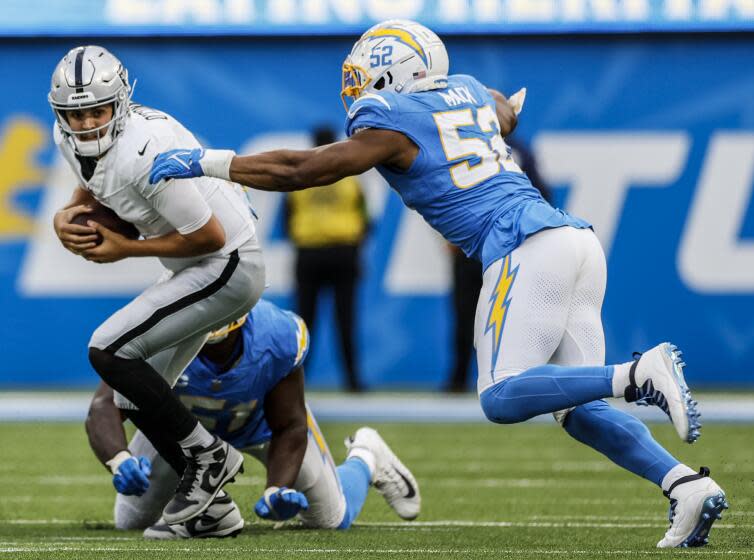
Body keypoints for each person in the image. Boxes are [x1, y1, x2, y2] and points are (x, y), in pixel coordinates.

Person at [148, 20, 728, 547]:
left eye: (365, 77)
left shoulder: (394, 123)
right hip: (573, 239)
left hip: (522, 247)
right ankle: (685, 486)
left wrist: (207, 161)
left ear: (394, 74)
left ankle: (638, 373)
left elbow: (306, 169)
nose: (357, 91)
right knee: (578, 408)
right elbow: (503, 110)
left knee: (502, 396)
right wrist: (504, 113)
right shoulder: (471, 90)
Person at [49, 45, 265, 527]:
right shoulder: (71, 138)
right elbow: (95, 182)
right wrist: (65, 216)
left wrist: (126, 250)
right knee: (129, 395)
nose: (85, 125)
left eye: (97, 111)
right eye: (75, 114)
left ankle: (209, 458)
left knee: (107, 349)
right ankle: (218, 513)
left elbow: (208, 237)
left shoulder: (144, 149)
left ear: (120, 105)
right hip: (198, 267)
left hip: (229, 264)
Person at [85, 299, 420, 538]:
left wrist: (277, 488)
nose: (209, 341)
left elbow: (289, 425)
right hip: (178, 438)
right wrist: (119, 458)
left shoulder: (275, 335)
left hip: (258, 426)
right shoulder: (159, 332)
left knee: (332, 518)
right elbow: (104, 405)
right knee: (130, 522)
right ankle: (203, 506)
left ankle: (365, 456)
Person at [444, 137, 551, 393]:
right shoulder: (509, 150)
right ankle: (461, 379)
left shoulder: (504, 150)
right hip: (480, 250)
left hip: (501, 250)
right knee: (466, 317)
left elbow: (542, 195)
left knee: (507, 317)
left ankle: (510, 378)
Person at [284, 126, 369, 392]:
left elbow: (287, 221)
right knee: (346, 320)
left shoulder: (299, 176)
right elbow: (365, 219)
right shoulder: (350, 176)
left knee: (304, 322)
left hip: (309, 253)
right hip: (344, 252)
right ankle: (353, 382)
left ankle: (296, 381)